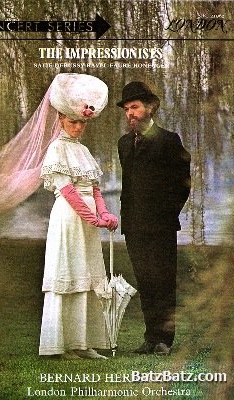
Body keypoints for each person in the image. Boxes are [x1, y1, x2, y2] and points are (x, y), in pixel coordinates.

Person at [39, 73, 118, 359]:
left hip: (87, 220)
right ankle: (61, 344)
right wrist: (93, 218)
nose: (77, 127)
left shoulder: (83, 150)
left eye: (82, 123)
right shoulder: (56, 148)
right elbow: (68, 191)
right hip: (70, 217)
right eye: (72, 122)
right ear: (61, 119)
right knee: (69, 271)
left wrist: (105, 213)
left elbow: (94, 189)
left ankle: (84, 343)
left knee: (87, 274)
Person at [116, 81, 191, 355]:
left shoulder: (169, 140)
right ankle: (150, 338)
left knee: (163, 281)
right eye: (126, 109)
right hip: (134, 226)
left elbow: (183, 184)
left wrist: (167, 214)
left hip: (161, 226)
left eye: (135, 107)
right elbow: (129, 185)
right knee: (145, 281)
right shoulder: (124, 143)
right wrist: (127, 219)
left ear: (150, 107)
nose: (130, 114)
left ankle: (164, 340)